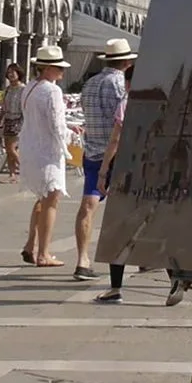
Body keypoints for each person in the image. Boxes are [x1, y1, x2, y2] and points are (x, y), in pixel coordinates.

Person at [73, 37, 140, 296]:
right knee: (126, 213)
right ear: (126, 61)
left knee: (88, 206)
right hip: (114, 156)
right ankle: (142, 261)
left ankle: (82, 260)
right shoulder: (117, 85)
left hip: (91, 151)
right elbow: (121, 125)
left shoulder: (89, 83)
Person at [16, 44, 73, 268]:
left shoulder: (30, 87)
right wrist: (69, 141)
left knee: (42, 198)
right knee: (51, 199)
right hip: (47, 151)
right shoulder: (52, 90)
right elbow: (56, 124)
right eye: (58, 67)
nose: (62, 72)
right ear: (47, 68)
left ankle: (31, 245)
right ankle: (44, 253)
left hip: (30, 146)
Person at [0, 63, 27, 178]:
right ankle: (12, 175)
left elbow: (26, 107)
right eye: (9, 73)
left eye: (13, 72)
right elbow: (3, 107)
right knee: (8, 150)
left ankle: (25, 170)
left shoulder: (23, 89)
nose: (11, 75)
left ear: (19, 74)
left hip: (18, 120)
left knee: (11, 148)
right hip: (8, 120)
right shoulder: (8, 89)